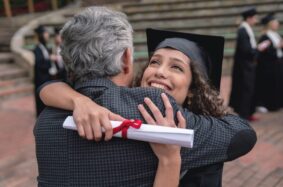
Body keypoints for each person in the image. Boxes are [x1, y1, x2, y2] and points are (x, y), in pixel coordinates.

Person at [35, 7, 256, 186]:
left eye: (177, 68)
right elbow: (242, 134)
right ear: (126, 58)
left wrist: (78, 99)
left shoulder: (45, 122)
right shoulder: (151, 110)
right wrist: (170, 158)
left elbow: (46, 88)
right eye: (154, 62)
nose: (160, 72)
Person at [229, 7, 270, 121]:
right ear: (249, 18)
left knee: (249, 90)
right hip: (244, 67)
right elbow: (246, 51)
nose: (256, 20)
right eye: (255, 17)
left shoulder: (246, 29)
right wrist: (259, 48)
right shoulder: (243, 30)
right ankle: (244, 115)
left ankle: (248, 113)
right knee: (245, 90)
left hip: (248, 66)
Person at [255, 12, 283, 111]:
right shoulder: (265, 36)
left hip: (278, 63)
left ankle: (279, 104)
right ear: (270, 24)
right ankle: (271, 105)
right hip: (270, 66)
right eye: (275, 22)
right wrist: (277, 47)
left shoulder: (276, 35)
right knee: (271, 85)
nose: (277, 24)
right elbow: (264, 53)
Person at [33, 25, 58, 117]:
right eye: (45, 33)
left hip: (47, 77)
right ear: (41, 35)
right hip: (41, 79)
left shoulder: (44, 47)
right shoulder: (37, 49)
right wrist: (50, 59)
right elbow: (39, 64)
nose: (47, 35)